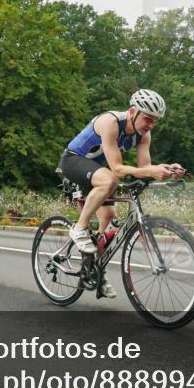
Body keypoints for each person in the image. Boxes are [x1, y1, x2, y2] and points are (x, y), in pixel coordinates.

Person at [58, 89, 184, 299]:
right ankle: (79, 229)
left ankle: (96, 271)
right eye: (148, 118)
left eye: (156, 121)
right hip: (73, 161)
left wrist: (166, 170)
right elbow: (116, 168)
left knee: (108, 220)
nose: (151, 125)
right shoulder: (111, 122)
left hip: (96, 172)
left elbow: (144, 169)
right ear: (133, 111)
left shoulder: (144, 135)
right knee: (111, 179)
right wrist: (151, 170)